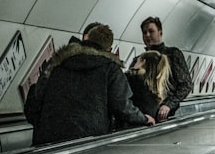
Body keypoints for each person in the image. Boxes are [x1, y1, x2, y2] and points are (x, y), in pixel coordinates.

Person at [24, 24, 154, 145]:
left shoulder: (58, 63)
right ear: (109, 49)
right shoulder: (110, 68)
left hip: (49, 138)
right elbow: (122, 105)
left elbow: (37, 98)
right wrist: (143, 118)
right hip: (89, 139)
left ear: (86, 40)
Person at [141, 16, 192, 121]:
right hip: (144, 115)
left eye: (151, 31)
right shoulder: (141, 59)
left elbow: (186, 84)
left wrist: (169, 105)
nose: (147, 35)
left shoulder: (173, 54)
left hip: (165, 114)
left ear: (160, 32)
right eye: (144, 32)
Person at [125, 50, 170, 121]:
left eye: (137, 61)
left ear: (143, 62)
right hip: (151, 123)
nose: (134, 64)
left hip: (136, 123)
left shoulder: (134, 79)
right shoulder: (157, 84)